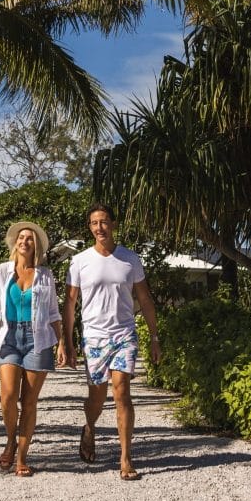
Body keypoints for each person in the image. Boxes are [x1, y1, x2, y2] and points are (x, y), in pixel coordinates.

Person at [63, 203, 161, 481]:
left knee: (122, 391)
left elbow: (144, 299)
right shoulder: (79, 261)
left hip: (124, 335)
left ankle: (126, 457)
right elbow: (70, 303)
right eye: (94, 223)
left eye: (104, 222)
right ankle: (90, 427)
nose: (99, 228)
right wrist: (66, 342)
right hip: (93, 337)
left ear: (113, 225)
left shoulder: (130, 259)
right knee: (97, 396)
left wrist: (155, 337)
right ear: (89, 227)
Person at [0, 220, 65, 476]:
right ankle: (10, 440)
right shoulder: (2, 271)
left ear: (35, 245)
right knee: (7, 397)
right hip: (9, 337)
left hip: (37, 339)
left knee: (29, 402)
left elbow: (53, 313)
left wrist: (61, 342)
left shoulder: (45, 275)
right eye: (21, 237)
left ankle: (22, 457)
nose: (25, 241)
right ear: (15, 243)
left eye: (30, 238)